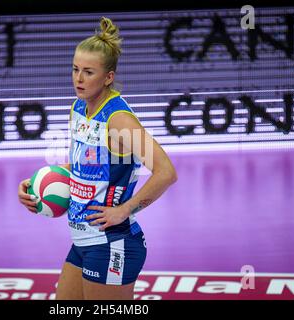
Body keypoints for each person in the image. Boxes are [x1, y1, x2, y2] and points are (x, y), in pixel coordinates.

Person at [18, 17, 177, 300]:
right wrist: (36, 185)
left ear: (108, 77)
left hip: (112, 242)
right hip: (82, 241)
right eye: (75, 69)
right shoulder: (78, 108)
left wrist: (125, 209)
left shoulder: (119, 120)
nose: (79, 79)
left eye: (89, 72)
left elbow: (166, 172)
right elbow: (81, 167)